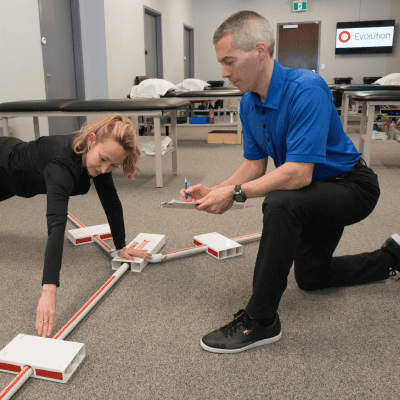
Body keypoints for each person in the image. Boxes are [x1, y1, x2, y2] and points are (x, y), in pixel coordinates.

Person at [180, 11, 400, 354]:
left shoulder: (306, 88)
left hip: (352, 187)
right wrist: (218, 188)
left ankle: (261, 320)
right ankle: (390, 258)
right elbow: (254, 165)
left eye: (229, 61)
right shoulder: (250, 105)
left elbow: (298, 173)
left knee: (279, 202)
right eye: (220, 63)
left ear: (260, 51)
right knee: (312, 278)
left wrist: (236, 195)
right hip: (313, 193)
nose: (223, 72)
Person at [0, 114, 152, 338]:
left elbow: (110, 200)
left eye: (113, 165)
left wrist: (121, 245)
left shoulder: (96, 156)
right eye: (103, 159)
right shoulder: (61, 162)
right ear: (91, 140)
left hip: (16, 184)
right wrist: (49, 289)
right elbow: (56, 224)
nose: (104, 169)